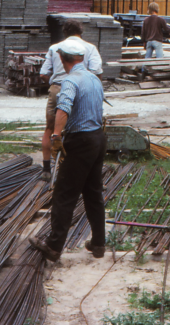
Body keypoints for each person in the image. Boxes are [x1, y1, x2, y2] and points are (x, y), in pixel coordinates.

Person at [28, 38, 107, 262]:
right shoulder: (94, 79)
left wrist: (56, 136)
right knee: (93, 193)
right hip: (98, 139)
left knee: (64, 194)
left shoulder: (70, 82)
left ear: (62, 60)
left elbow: (62, 110)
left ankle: (53, 246)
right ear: (81, 58)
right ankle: (99, 244)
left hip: (81, 142)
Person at [39, 20, 103, 179]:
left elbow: (43, 73)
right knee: (80, 127)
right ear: (81, 31)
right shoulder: (90, 48)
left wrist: (54, 84)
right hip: (83, 88)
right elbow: (97, 71)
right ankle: (75, 167)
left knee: (51, 129)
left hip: (57, 87)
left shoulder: (55, 48)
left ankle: (47, 169)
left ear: (64, 33)